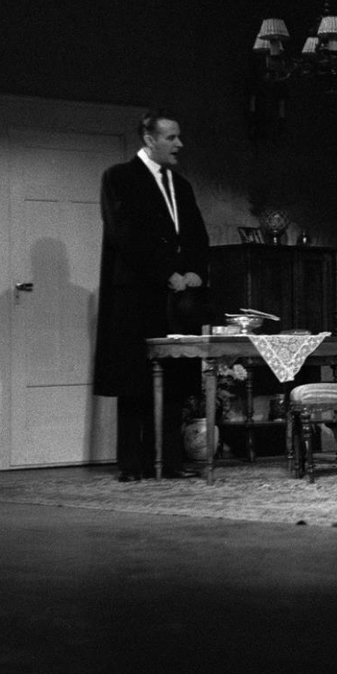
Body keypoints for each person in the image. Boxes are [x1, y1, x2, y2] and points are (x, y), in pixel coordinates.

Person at [94, 110, 210, 482]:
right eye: (171, 137)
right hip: (136, 294)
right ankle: (132, 464)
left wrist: (194, 271)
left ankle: (169, 461)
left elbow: (196, 234)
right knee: (134, 381)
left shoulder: (181, 185)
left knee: (174, 377)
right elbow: (125, 234)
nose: (179, 144)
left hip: (176, 300)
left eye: (179, 136)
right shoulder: (119, 177)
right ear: (149, 139)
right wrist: (165, 273)